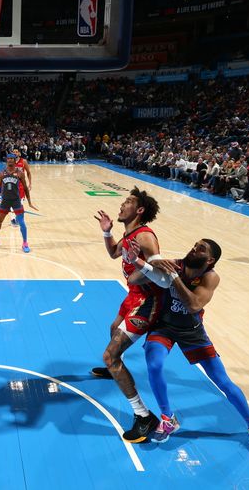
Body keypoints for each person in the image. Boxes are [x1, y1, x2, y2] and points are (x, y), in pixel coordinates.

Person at [121, 238, 249, 457]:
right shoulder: (175, 264)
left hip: (192, 331)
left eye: (200, 249)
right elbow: (134, 280)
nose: (193, 248)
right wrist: (142, 263)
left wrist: (172, 278)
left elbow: (193, 305)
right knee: (154, 365)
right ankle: (167, 418)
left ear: (210, 259)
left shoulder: (211, 277)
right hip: (164, 327)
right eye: (194, 245)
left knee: (222, 381)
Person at [90, 187, 163, 442]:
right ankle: (115, 369)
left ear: (139, 210)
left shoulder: (145, 237)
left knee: (110, 355)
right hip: (133, 296)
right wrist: (107, 231)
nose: (122, 205)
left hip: (148, 300)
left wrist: (138, 272)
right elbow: (113, 253)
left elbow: (160, 269)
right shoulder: (129, 233)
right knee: (113, 329)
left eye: (128, 202)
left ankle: (144, 416)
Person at [0, 153, 37, 252]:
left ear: (14, 160)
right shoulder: (1, 173)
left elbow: (25, 188)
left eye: (12, 159)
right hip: (5, 201)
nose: (10, 160)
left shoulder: (20, 173)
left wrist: (29, 202)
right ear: (6, 160)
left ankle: (25, 243)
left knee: (21, 222)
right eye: (8, 159)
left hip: (16, 200)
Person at [10, 148, 32, 226]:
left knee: (20, 203)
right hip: (12, 185)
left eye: (16, 152)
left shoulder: (24, 161)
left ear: (19, 153)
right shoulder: (10, 161)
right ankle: (12, 219)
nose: (15, 153)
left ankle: (18, 218)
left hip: (21, 186)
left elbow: (29, 173)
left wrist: (30, 183)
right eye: (14, 152)